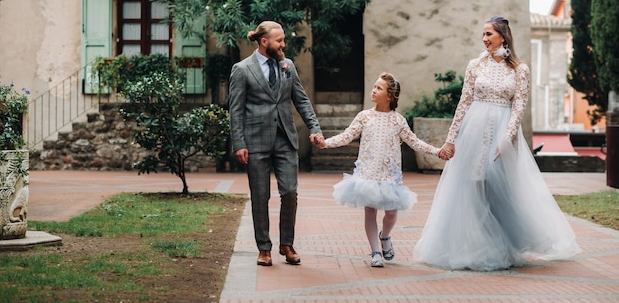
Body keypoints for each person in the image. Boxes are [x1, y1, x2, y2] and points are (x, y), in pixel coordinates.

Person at [413, 16, 581, 271]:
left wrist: (507, 137)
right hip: (473, 131)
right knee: (471, 185)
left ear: (503, 36)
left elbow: (518, 107)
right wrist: (451, 139)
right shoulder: (475, 65)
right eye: (483, 34)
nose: (484, 39)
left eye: (489, 34)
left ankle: (505, 244)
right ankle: (472, 245)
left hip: (502, 133)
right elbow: (463, 103)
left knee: (498, 188)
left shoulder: (519, 69)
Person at [312, 72, 440, 267]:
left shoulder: (398, 121)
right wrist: (325, 143)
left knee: (391, 213)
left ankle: (385, 236)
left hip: (390, 175)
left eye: (379, 88)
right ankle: (375, 252)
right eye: (374, 86)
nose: (373, 90)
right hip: (368, 173)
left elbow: (415, 142)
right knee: (370, 211)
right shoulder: (364, 117)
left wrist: (437, 151)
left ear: (389, 96)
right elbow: (347, 136)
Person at [228, 20, 322, 267]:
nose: (283, 44)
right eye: (279, 40)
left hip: (285, 139)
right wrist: (239, 143)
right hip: (255, 140)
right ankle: (264, 248)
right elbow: (235, 111)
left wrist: (314, 128)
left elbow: (301, 100)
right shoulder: (242, 69)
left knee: (290, 191)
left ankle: (287, 244)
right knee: (260, 196)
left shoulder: (287, 66)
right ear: (264, 42)